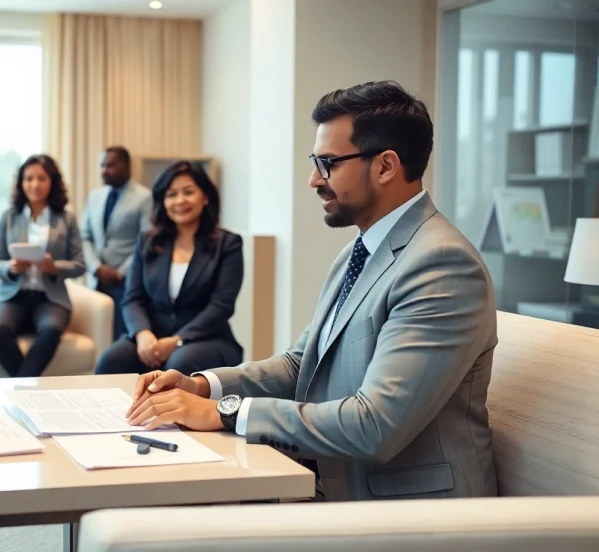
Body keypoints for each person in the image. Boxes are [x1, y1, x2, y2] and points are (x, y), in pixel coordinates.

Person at [126, 81, 499, 502]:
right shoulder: (358, 251)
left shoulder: (442, 265)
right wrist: (204, 387)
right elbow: (301, 365)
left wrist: (224, 412)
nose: (312, 180)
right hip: (331, 487)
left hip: (413, 516)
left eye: (327, 163)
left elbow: (375, 427)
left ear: (385, 166)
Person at [94, 161, 243, 376]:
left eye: (188, 192)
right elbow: (132, 298)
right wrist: (142, 333)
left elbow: (221, 306)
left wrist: (177, 341)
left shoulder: (228, 244)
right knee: (111, 361)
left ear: (205, 197)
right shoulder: (148, 241)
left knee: (179, 364)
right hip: (152, 335)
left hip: (206, 338)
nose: (179, 201)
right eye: (171, 194)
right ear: (163, 201)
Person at [0, 154, 86, 377]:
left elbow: (79, 264)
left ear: (52, 182)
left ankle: (21, 387)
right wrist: (11, 268)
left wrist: (54, 267)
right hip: (13, 294)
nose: (34, 184)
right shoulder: (9, 217)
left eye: (41, 178)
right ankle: (26, 388)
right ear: (21, 183)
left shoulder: (66, 219)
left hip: (50, 297)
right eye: (28, 178)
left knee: (51, 329)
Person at [80, 146, 152, 339]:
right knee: (97, 335)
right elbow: (84, 236)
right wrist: (95, 267)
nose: (104, 170)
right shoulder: (95, 196)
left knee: (122, 334)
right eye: (102, 165)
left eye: (110, 165)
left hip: (125, 280)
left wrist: (120, 272)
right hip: (97, 279)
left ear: (126, 166)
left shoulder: (144, 197)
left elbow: (146, 240)